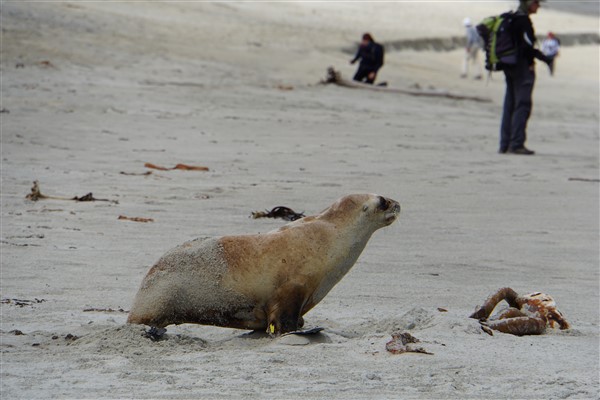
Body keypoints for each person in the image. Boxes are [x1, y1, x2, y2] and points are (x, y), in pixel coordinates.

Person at [499, 0, 552, 155]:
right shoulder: (523, 21)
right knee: (522, 105)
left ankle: (505, 144)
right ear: (529, 4)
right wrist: (543, 59)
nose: (538, 6)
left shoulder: (511, 19)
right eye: (536, 3)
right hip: (522, 69)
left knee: (509, 104)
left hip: (509, 67)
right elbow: (527, 48)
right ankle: (516, 144)